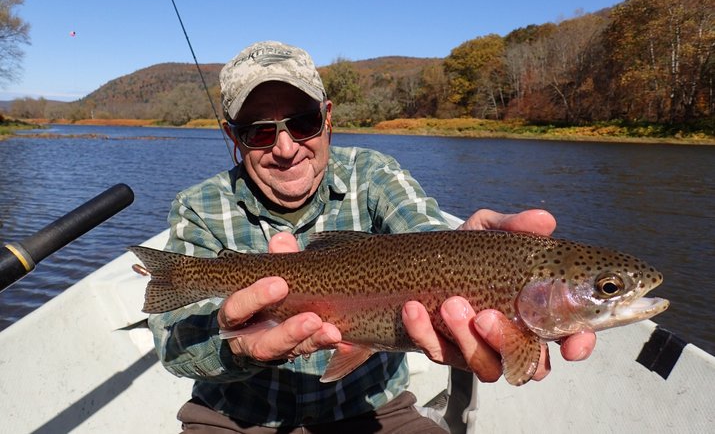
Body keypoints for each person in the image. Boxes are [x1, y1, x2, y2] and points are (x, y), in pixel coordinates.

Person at [147, 40, 596, 433]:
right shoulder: (198, 205)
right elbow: (173, 345)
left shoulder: (375, 175)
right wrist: (241, 347)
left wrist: (465, 252)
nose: (285, 149)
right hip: (235, 420)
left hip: (374, 414)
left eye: (302, 122)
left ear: (326, 117)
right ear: (233, 137)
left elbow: (423, 234)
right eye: (260, 132)